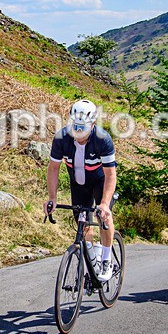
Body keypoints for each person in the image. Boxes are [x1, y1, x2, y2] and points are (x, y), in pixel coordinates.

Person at [45, 99, 117, 281]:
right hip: (78, 184)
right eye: (75, 126)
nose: (78, 132)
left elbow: (110, 174)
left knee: (103, 218)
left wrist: (105, 204)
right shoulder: (61, 138)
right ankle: (91, 261)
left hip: (99, 182)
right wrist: (52, 197)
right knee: (83, 226)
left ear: (93, 124)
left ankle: (107, 259)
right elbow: (53, 168)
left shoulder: (103, 139)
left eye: (82, 127)